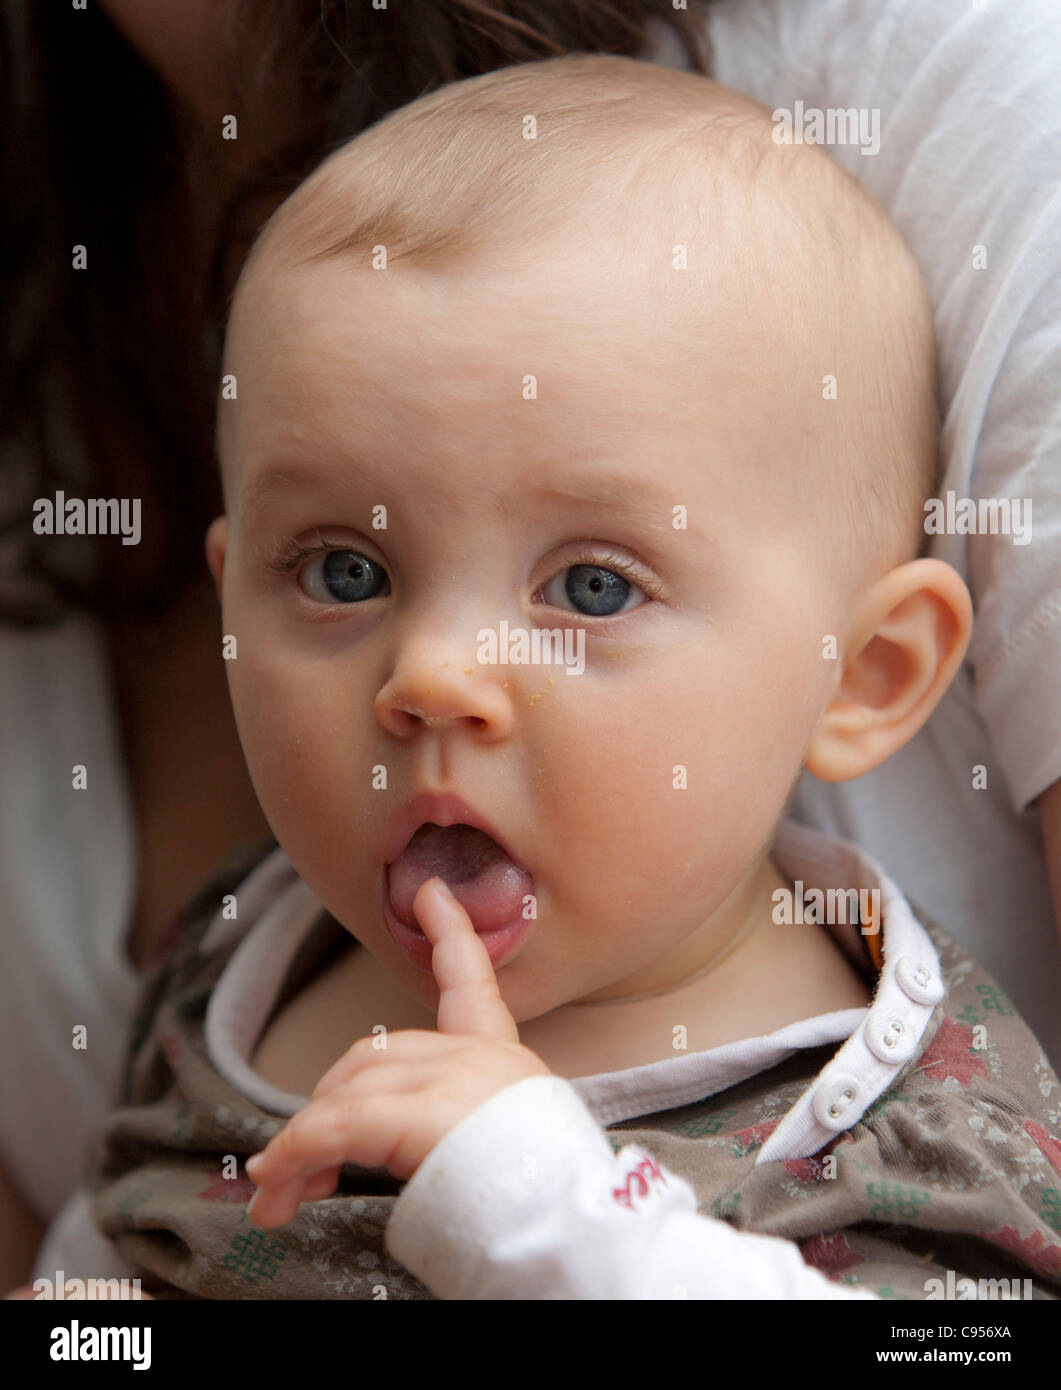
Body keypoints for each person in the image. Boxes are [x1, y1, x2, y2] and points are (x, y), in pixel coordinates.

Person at [6, 0, 1061, 1293]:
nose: (432, 673)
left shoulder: (902, 1115)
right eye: (346, 571)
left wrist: (536, 1204)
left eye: (592, 587)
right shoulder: (228, 979)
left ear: (865, 672)